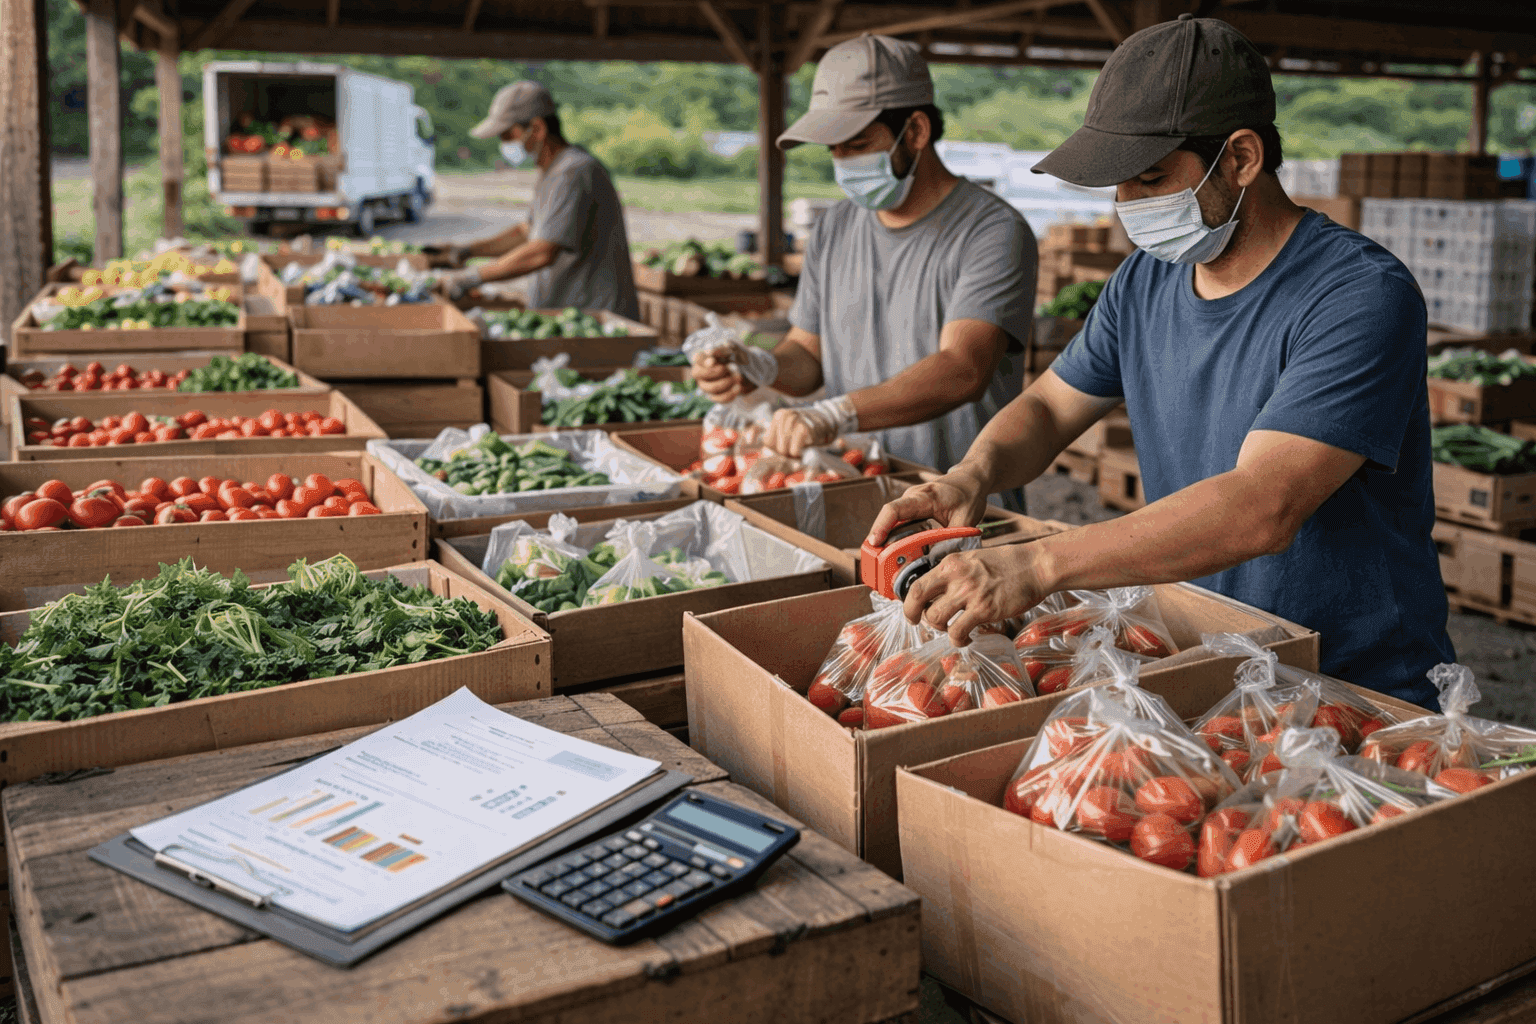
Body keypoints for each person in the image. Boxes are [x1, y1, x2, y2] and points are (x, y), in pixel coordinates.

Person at [870, 14, 1454, 708]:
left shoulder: (1359, 296)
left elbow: (1262, 506)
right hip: (1211, 661)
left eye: (1148, 180)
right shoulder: (1144, 281)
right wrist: (973, 474)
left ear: (1240, 159)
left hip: (1350, 683)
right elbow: (1052, 406)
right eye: (1117, 185)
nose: (1127, 208)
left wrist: (1039, 563)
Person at [691, 34, 1037, 494]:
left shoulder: (992, 230)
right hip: (856, 482)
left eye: (855, 145)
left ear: (915, 131)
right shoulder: (835, 228)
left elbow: (962, 370)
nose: (841, 163)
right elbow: (809, 355)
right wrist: (760, 368)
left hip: (962, 499)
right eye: (832, 149)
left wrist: (834, 414)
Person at [444, 81, 640, 320]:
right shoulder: (551, 171)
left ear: (536, 128)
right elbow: (527, 232)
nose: (503, 143)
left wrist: (471, 277)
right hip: (567, 313)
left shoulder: (574, 172)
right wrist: (467, 250)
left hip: (592, 316)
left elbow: (541, 252)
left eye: (507, 134)